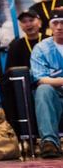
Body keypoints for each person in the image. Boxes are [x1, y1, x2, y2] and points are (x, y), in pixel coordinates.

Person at [2, 10, 46, 130]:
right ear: (20, 26)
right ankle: (22, 133)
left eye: (31, 20)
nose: (28, 24)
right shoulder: (16, 46)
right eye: (24, 22)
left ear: (40, 23)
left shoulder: (49, 41)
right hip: (25, 85)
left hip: (48, 81)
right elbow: (9, 71)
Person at [29, 10, 63, 158]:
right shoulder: (41, 48)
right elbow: (40, 78)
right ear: (50, 27)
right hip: (55, 93)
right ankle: (50, 143)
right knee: (42, 89)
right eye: (56, 23)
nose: (60, 27)